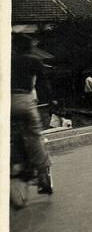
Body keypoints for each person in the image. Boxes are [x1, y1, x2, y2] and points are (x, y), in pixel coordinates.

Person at [11, 34, 54, 195]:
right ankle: (43, 179)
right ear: (29, 48)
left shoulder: (8, 61)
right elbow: (43, 84)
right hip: (24, 101)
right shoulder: (33, 60)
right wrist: (52, 101)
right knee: (35, 137)